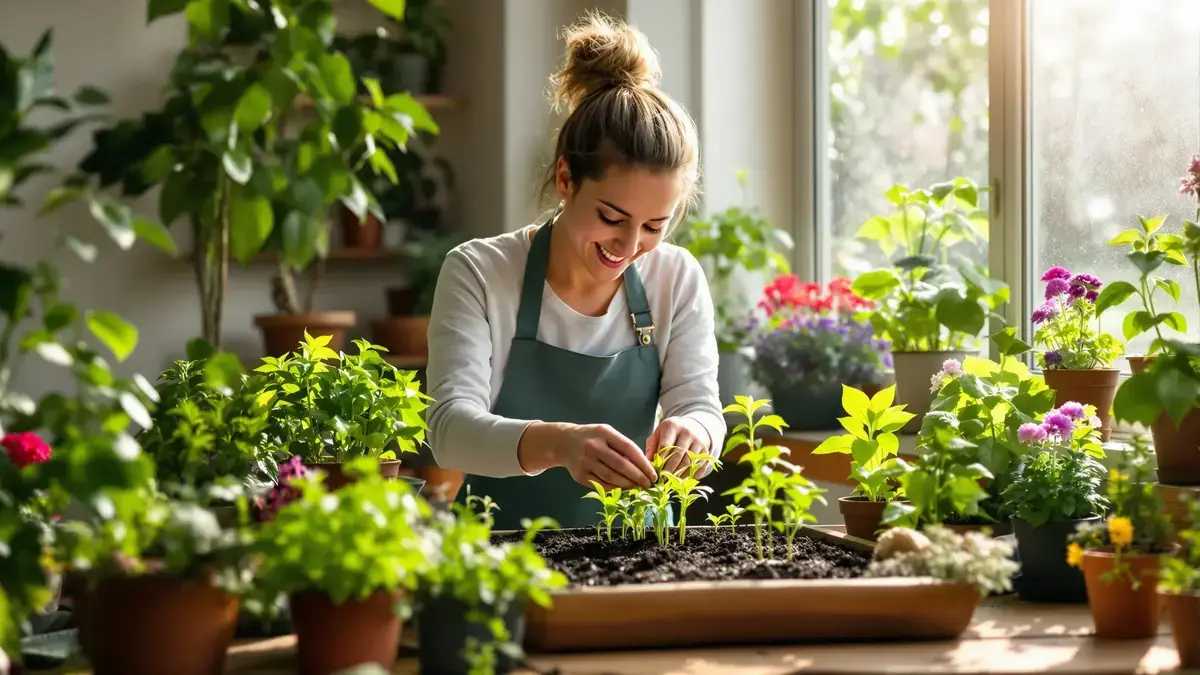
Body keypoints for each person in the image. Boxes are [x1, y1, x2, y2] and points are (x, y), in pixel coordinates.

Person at [425, 12, 725, 531]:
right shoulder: (480, 273)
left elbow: (700, 403)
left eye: (655, 225)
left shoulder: (675, 278)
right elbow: (449, 429)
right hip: (499, 557)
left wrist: (696, 431)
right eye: (612, 218)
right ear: (566, 177)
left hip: (638, 554)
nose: (630, 247)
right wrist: (560, 444)